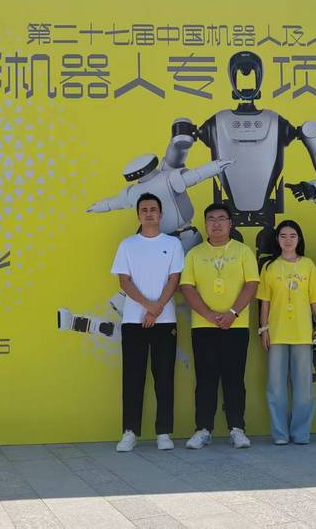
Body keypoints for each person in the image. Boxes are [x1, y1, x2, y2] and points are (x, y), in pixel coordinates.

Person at [180, 203, 259, 449]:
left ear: (230, 223)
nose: (216, 223)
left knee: (234, 379)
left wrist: (232, 313)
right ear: (205, 225)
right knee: (205, 379)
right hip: (203, 327)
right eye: (211, 219)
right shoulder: (194, 254)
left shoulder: (243, 251)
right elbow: (186, 287)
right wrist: (208, 314)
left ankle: (237, 429)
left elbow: (251, 284)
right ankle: (203, 429)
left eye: (221, 219)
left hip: (236, 325)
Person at [111, 193, 185, 452]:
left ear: (161, 214)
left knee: (164, 376)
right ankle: (130, 432)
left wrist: (157, 308)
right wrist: (148, 305)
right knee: (133, 376)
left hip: (165, 321)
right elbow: (124, 281)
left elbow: (174, 280)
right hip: (133, 320)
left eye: (153, 209)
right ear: (138, 215)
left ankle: (163, 432)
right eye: (144, 209)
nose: (149, 213)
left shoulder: (173, 244)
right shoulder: (127, 245)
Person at [257, 220, 316, 445]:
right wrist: (264, 329)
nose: (288, 240)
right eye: (283, 236)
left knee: (303, 387)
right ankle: (280, 433)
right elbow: (265, 302)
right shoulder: (269, 267)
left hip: (302, 333)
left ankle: (301, 432)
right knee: (276, 387)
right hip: (276, 334)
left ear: (299, 239)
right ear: (277, 239)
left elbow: (315, 299)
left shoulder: (308, 265)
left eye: (292, 236)